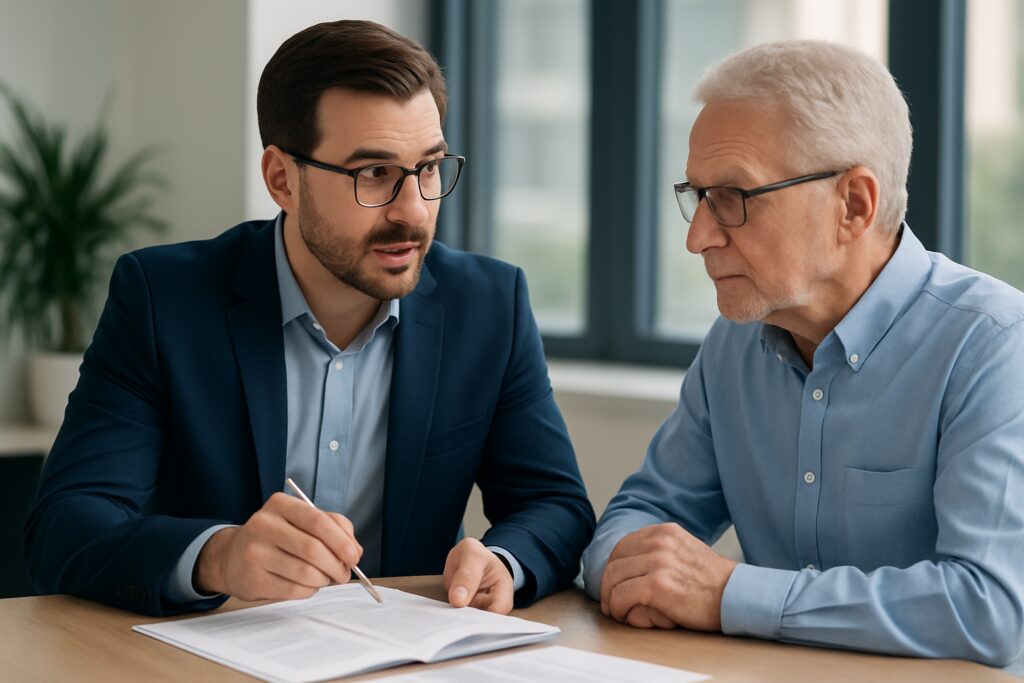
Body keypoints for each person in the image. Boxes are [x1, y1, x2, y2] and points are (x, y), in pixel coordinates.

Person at [24, 19, 595, 617]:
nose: (413, 211)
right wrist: (217, 556)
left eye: (428, 168)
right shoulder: (163, 299)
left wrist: (503, 560)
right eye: (373, 173)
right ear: (282, 180)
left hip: (412, 653)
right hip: (213, 651)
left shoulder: (489, 305)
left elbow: (555, 505)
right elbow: (64, 527)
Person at [582, 40, 1024, 667]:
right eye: (697, 196)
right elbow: (642, 515)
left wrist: (728, 594)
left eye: (733, 197)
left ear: (854, 205)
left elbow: (987, 609)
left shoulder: (994, 346)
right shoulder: (735, 342)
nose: (697, 237)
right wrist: (630, 571)